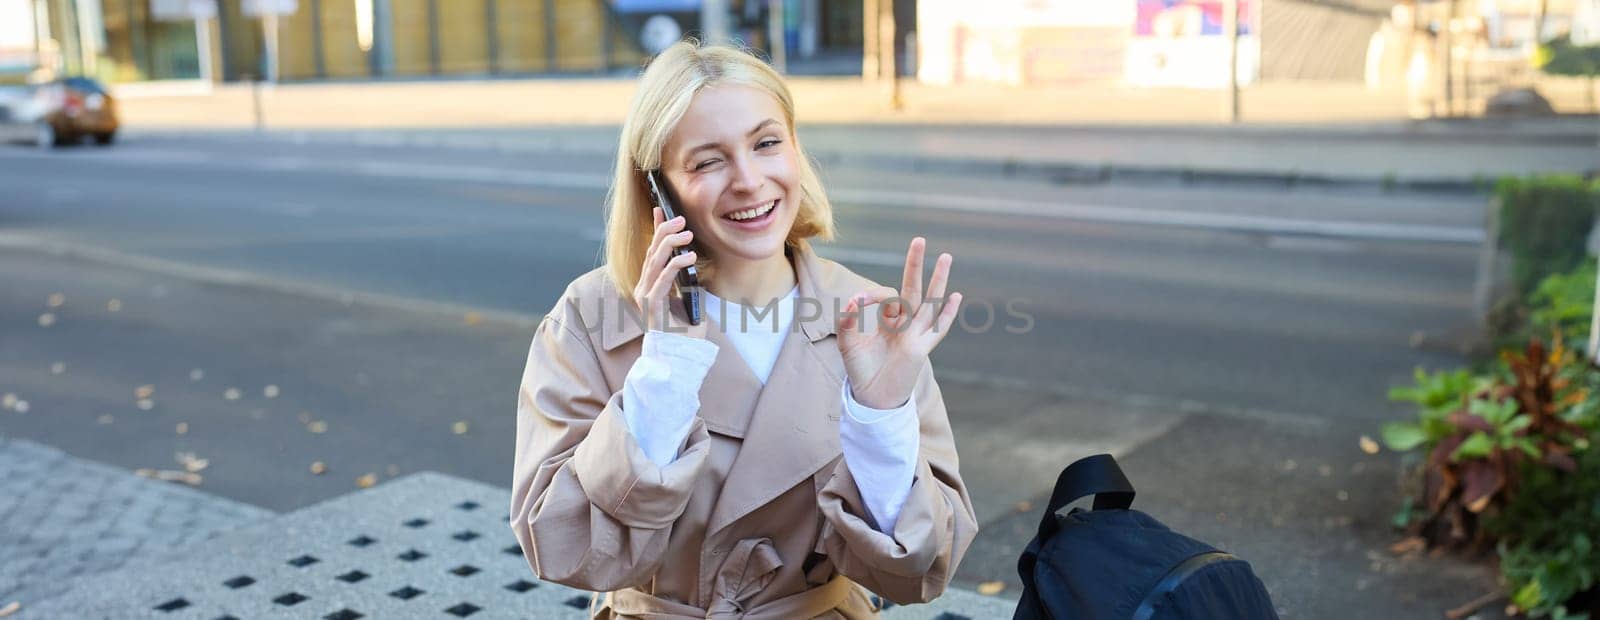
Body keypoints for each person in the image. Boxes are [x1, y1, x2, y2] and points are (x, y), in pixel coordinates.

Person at [509, 39, 978, 619]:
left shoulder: (869, 316)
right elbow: (563, 547)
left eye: (766, 143)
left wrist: (878, 416)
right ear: (659, 189)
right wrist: (663, 375)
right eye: (707, 160)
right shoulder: (590, 315)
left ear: (795, 150)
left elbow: (923, 569)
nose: (750, 180)